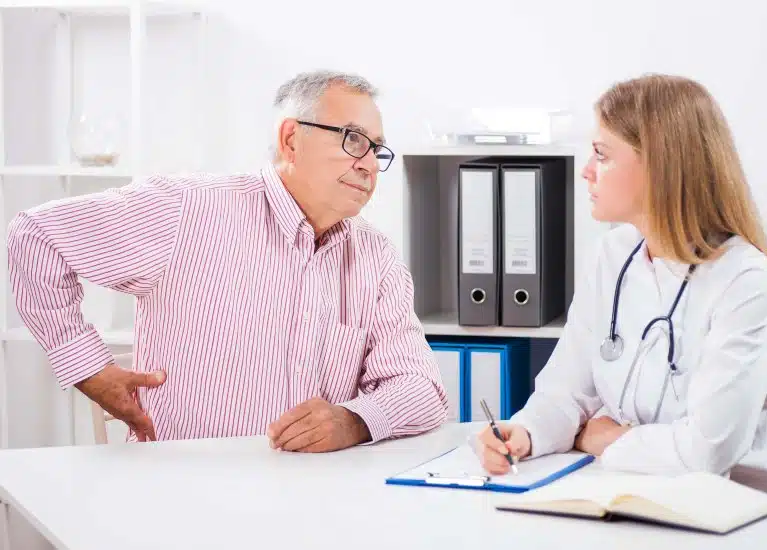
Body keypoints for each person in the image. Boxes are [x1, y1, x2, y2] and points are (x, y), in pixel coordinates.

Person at [7, 70, 448, 451]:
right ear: (292, 139)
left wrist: (353, 421)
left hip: (317, 504)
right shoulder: (186, 209)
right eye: (354, 140)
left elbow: (421, 390)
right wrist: (88, 369)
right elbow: (36, 236)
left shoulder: (376, 257)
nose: (370, 165)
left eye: (377, 150)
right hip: (185, 498)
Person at [477, 73, 767, 503]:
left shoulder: (744, 277)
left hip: (728, 512)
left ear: (662, 166)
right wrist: (527, 433)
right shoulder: (613, 254)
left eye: (602, 155)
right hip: (623, 493)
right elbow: (566, 389)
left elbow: (707, 452)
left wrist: (602, 440)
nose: (586, 171)